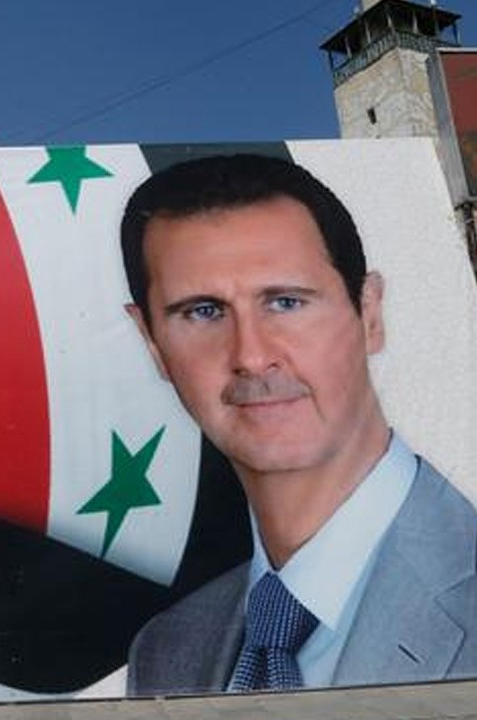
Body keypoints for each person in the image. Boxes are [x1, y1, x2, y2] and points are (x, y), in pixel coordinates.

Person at [121, 153, 477, 695]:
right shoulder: (165, 650)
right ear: (151, 342)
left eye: (286, 302)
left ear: (370, 313)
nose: (251, 355)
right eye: (203, 312)